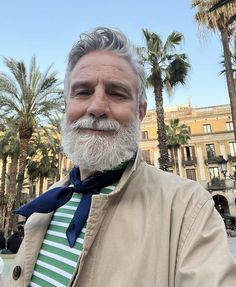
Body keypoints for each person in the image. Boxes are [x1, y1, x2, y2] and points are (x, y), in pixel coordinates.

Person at [4, 27, 236, 287]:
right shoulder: (45, 205)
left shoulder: (187, 210)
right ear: (66, 106)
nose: (97, 107)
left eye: (117, 93)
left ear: (141, 111)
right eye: (82, 92)